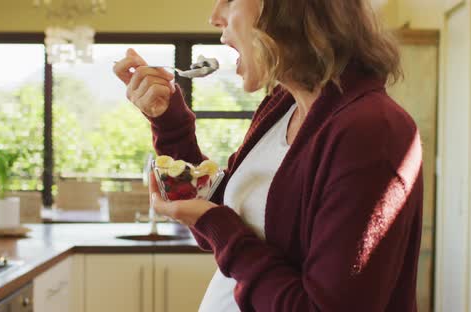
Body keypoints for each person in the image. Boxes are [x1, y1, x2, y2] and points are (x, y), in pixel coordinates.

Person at [113, 0, 423, 311]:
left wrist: (215, 223)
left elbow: (228, 232)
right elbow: (228, 221)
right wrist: (170, 123)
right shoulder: (281, 106)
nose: (214, 17)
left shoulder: (371, 132)